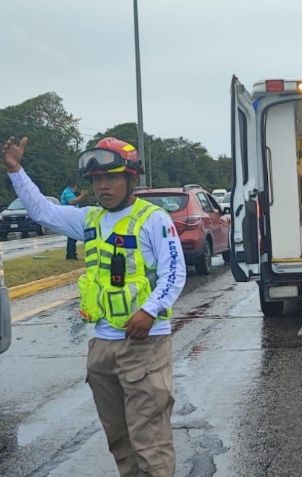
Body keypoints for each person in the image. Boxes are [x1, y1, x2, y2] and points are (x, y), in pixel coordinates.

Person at [1, 136, 186, 477]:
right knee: (120, 439)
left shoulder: (154, 219)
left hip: (144, 344)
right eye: (96, 180)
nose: (102, 186)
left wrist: (150, 310)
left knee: (150, 441)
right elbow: (42, 210)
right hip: (102, 347)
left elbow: (174, 272)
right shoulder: (91, 219)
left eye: (111, 178)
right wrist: (16, 170)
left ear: (131, 179)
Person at [60, 178, 86, 259]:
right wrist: (82, 196)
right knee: (72, 236)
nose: (76, 189)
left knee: (72, 236)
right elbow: (71, 201)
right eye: (76, 187)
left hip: (70, 215)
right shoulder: (68, 192)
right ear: (73, 186)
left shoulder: (68, 192)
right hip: (70, 216)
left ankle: (71, 254)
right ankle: (71, 254)